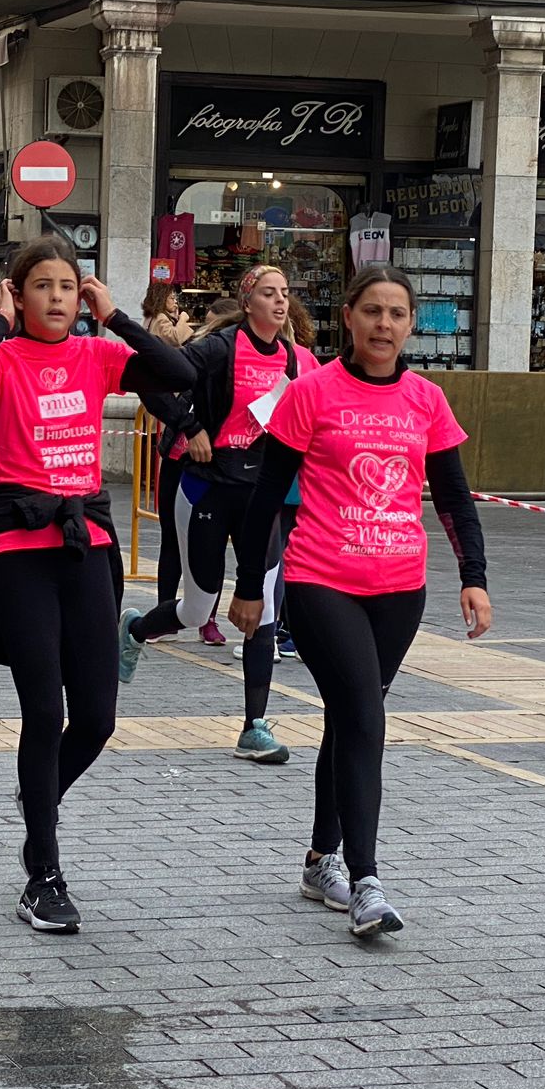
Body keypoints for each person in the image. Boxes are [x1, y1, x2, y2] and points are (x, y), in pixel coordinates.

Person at [228, 264, 491, 937]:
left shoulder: (426, 400)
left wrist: (474, 575)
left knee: (348, 721)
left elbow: (455, 497)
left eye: (397, 314)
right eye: (372, 311)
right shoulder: (310, 393)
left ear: (410, 324)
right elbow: (265, 498)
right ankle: (367, 880)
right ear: (348, 316)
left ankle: (321, 860)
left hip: (400, 588)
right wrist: (251, 587)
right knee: (366, 720)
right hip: (320, 580)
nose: (384, 325)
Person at [0, 234, 196, 934]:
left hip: (88, 544)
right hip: (18, 549)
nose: (56, 298)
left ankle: (39, 799)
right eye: (42, 286)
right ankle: (43, 877)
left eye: (67, 287)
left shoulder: (97, 352)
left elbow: (180, 373)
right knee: (41, 710)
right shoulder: (1, 355)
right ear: (18, 295)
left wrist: (116, 317)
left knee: (97, 717)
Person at [119, 264, 312, 766]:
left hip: (259, 496)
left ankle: (254, 726)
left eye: (285, 294)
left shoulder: (298, 360)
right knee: (197, 610)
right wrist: (190, 425)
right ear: (248, 303)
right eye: (269, 293)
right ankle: (136, 629)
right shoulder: (219, 348)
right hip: (206, 489)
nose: (279, 302)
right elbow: (149, 375)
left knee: (264, 605)